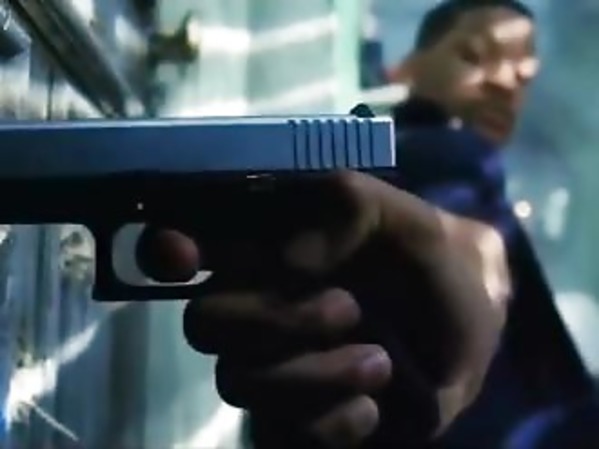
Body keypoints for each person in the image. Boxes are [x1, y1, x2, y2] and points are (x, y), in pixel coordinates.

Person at [136, 1, 594, 447]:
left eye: (524, 75)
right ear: (404, 67)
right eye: (472, 55)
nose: (504, 83)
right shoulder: (453, 152)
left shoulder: (420, 163)